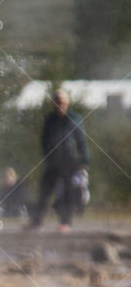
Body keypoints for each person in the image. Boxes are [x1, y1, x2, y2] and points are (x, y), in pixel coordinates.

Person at [29, 89, 89, 231]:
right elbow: (43, 139)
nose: (59, 105)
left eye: (61, 102)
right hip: (53, 160)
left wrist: (85, 160)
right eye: (56, 102)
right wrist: (47, 155)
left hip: (70, 160)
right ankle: (36, 221)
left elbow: (82, 140)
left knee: (68, 192)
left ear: (67, 103)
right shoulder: (50, 119)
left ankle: (66, 222)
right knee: (44, 190)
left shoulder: (74, 118)